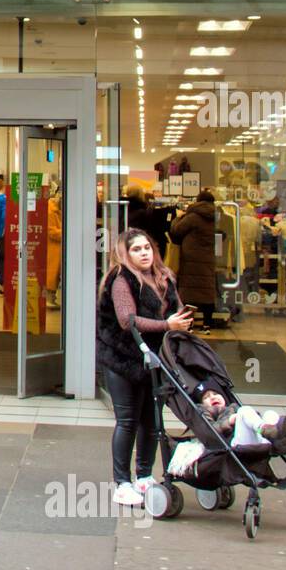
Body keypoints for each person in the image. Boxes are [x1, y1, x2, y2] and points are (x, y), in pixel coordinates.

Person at [96, 228, 192, 506]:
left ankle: (145, 475)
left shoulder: (165, 276)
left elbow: (177, 310)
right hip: (123, 360)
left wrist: (181, 322)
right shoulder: (120, 279)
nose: (144, 253)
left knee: (152, 421)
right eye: (137, 249)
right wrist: (167, 325)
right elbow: (127, 320)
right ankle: (122, 482)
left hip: (156, 359)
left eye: (147, 247)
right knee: (127, 421)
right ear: (126, 254)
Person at [197, 386, 286, 454]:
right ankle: (278, 436)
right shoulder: (206, 411)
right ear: (202, 404)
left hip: (259, 437)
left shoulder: (233, 407)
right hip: (235, 443)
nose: (212, 397)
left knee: (269, 414)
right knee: (244, 411)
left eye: (216, 394)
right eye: (206, 397)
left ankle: (280, 436)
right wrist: (229, 421)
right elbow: (209, 430)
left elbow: (252, 419)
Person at [170, 190, 218, 334]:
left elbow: (176, 231)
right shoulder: (216, 217)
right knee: (207, 290)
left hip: (190, 258)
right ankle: (207, 324)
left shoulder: (193, 217)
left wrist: (178, 218)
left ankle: (188, 324)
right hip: (208, 258)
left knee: (189, 293)